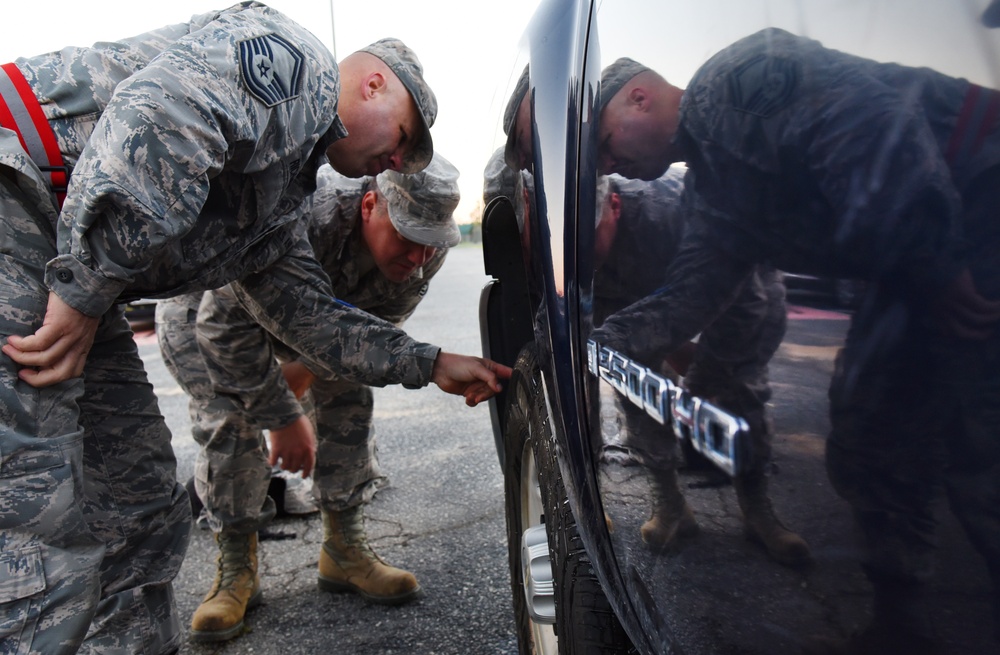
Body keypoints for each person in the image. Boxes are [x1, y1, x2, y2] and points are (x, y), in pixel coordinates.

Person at [0, 6, 508, 654]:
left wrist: (432, 362)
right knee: (35, 534)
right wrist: (85, 284)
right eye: (406, 136)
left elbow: (313, 318)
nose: (401, 159)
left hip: (74, 272)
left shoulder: (281, 198)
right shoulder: (298, 66)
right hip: (22, 194)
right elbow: (163, 116)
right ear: (375, 83)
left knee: (144, 507)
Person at [593, 33, 1000, 654]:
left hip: (974, 202)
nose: (611, 167)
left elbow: (872, 126)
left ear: (639, 100)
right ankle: (902, 622)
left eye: (604, 145)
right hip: (922, 257)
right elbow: (691, 296)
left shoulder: (733, 81)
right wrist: (596, 342)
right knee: (871, 439)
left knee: (978, 449)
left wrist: (933, 259)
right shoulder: (712, 188)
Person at [157, 153, 463, 642]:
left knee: (348, 389)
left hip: (315, 322)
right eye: (408, 239)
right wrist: (280, 417)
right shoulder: (302, 212)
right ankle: (237, 566)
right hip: (209, 309)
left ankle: (344, 548)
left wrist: (303, 372)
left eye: (431, 245)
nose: (419, 258)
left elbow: (370, 334)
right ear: (370, 206)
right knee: (231, 420)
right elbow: (223, 324)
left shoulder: (425, 246)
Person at [591, 170, 807, 566]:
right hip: (638, 294)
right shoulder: (569, 243)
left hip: (744, 284)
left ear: (615, 208)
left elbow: (747, 306)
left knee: (739, 385)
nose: (579, 259)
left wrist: (702, 382)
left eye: (588, 242)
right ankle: (671, 505)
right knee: (638, 391)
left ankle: (757, 508)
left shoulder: (678, 211)